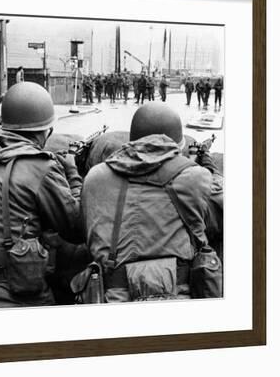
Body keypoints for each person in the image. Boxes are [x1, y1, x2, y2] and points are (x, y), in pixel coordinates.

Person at [0, 82, 83, 309]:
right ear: (46, 131)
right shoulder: (39, 166)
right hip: (12, 290)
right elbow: (76, 228)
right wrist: (72, 174)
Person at [82, 102, 223, 302]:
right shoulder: (195, 177)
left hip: (111, 298)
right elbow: (224, 211)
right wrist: (203, 164)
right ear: (178, 145)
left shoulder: (95, 177)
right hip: (179, 297)